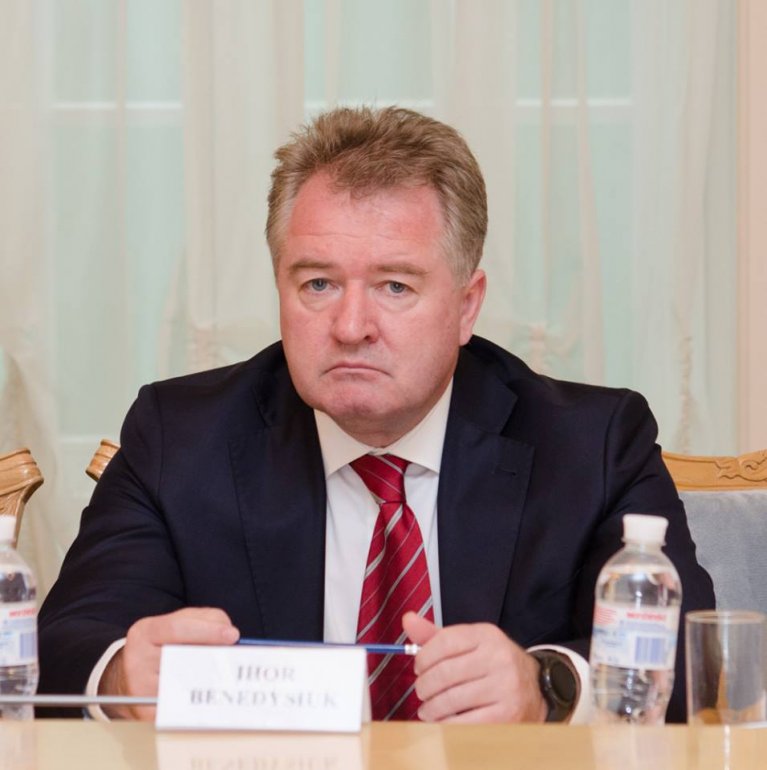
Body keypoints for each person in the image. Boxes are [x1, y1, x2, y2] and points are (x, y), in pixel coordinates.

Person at [38, 106, 714, 723]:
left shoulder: (590, 444)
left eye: (394, 285)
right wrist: (122, 674)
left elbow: (691, 660)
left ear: (467, 306)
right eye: (318, 284)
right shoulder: (181, 437)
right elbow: (66, 643)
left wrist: (547, 686)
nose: (350, 326)